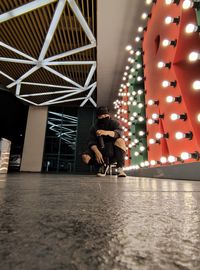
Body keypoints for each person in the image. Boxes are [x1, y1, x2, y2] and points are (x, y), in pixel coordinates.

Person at [82, 106, 127, 177]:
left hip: (113, 150)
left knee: (120, 141)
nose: (104, 117)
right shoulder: (94, 127)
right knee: (85, 157)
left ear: (108, 115)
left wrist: (106, 132)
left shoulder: (114, 123)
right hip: (99, 148)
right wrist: (97, 152)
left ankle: (120, 168)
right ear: (98, 117)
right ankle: (102, 165)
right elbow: (91, 141)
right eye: (102, 116)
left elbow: (119, 133)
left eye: (106, 115)